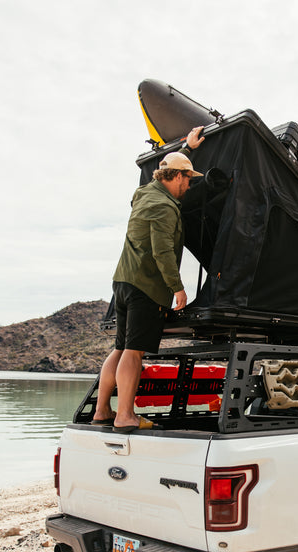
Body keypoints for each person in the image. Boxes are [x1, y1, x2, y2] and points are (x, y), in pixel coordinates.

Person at [92, 127, 205, 431]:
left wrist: (187, 149)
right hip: (145, 286)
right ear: (177, 177)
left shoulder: (144, 194)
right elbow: (162, 253)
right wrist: (177, 289)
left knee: (119, 348)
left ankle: (102, 410)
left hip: (123, 283)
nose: (189, 186)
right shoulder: (165, 207)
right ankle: (125, 415)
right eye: (188, 180)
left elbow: (166, 169)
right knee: (134, 351)